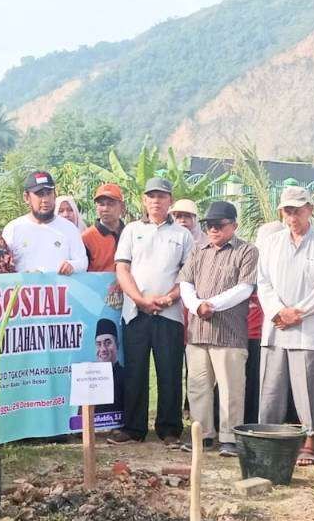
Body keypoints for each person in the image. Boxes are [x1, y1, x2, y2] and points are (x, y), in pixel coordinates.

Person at [107, 177, 193, 447]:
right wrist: (139, 298)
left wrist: (168, 298)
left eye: (162, 196)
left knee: (169, 371)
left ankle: (169, 429)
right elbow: (122, 268)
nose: (156, 201)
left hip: (169, 314)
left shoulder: (183, 235)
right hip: (136, 312)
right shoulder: (132, 231)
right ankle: (133, 428)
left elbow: (188, 274)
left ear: (170, 200)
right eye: (151, 196)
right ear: (144, 200)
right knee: (135, 370)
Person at [256, 184, 314, 465]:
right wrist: (278, 312)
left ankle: (311, 440)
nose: (293, 217)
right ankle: (268, 437)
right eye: (288, 211)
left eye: (298, 211)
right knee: (272, 386)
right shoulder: (270, 243)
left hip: (307, 326)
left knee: (309, 385)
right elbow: (263, 282)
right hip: (276, 326)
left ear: (310, 210)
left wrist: (298, 312)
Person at [178, 201, 258, 456]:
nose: (213, 229)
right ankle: (202, 434)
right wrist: (197, 306)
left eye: (219, 225)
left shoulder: (247, 251)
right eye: (209, 225)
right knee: (198, 385)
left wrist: (211, 304)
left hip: (229, 332)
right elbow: (185, 284)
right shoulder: (198, 250)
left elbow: (245, 288)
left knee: (231, 387)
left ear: (234, 225)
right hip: (198, 331)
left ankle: (230, 437)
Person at [2, 171, 89, 274]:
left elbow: (83, 262)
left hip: (60, 289)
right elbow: (3, 267)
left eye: (49, 193)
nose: (45, 200)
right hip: (24, 289)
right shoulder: (13, 229)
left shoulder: (69, 229)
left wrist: (72, 266)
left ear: (55, 195)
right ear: (26, 197)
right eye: (40, 194)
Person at [83, 183, 126, 272]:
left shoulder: (130, 233)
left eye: (111, 204)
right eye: (101, 204)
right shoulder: (87, 238)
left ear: (122, 207)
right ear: (96, 207)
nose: (105, 209)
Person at [93, 318, 126, 418]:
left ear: (117, 345)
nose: (103, 349)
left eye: (108, 343)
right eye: (99, 344)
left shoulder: (125, 377)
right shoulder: (90, 378)